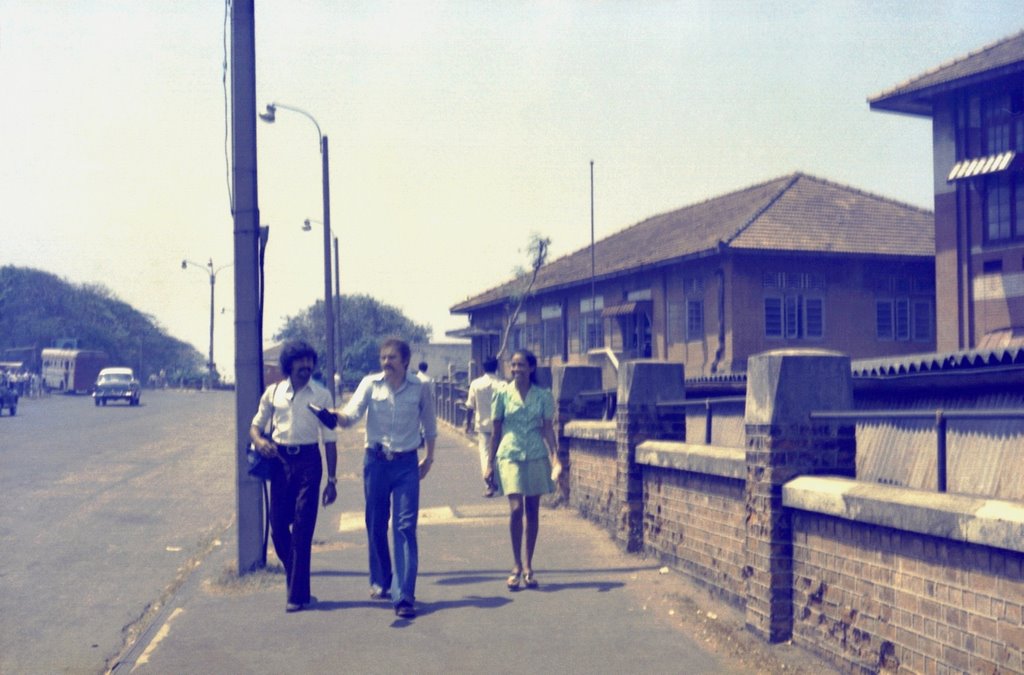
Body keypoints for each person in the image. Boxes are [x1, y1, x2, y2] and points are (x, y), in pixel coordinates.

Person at [331, 338, 437, 619]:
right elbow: (351, 415)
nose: (386, 363)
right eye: (383, 358)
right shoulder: (370, 384)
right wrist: (336, 417)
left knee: (404, 527)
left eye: (392, 358)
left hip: (406, 465)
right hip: (375, 463)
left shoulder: (421, 386)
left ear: (405, 361)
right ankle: (381, 580)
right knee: (376, 523)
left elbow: (429, 423)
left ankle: (404, 595)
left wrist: (430, 457)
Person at [249, 340, 338, 613]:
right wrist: (259, 442)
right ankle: (299, 580)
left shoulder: (322, 396)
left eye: (310, 362)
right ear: (289, 365)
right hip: (279, 461)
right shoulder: (273, 393)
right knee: (278, 528)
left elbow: (330, 440)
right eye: (301, 362)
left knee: (302, 528)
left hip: (310, 463)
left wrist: (332, 480)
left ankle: (296, 596)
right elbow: (255, 426)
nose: (306, 367)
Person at [485, 348, 562, 591]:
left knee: (533, 510)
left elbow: (548, 428)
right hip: (509, 454)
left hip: (536, 455)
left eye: (521, 365)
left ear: (531, 368)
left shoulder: (543, 396)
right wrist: (488, 463)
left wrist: (554, 455)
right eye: (513, 365)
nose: (516, 369)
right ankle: (516, 564)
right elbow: (496, 431)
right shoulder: (502, 394)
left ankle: (529, 566)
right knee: (516, 509)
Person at [465, 356, 503, 497]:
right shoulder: (502, 384)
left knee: (485, 455)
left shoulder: (476, 384)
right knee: (498, 454)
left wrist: (468, 424)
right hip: (499, 425)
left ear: (483, 368)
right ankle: (497, 482)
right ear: (497, 367)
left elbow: (470, 406)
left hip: (482, 424)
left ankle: (489, 483)